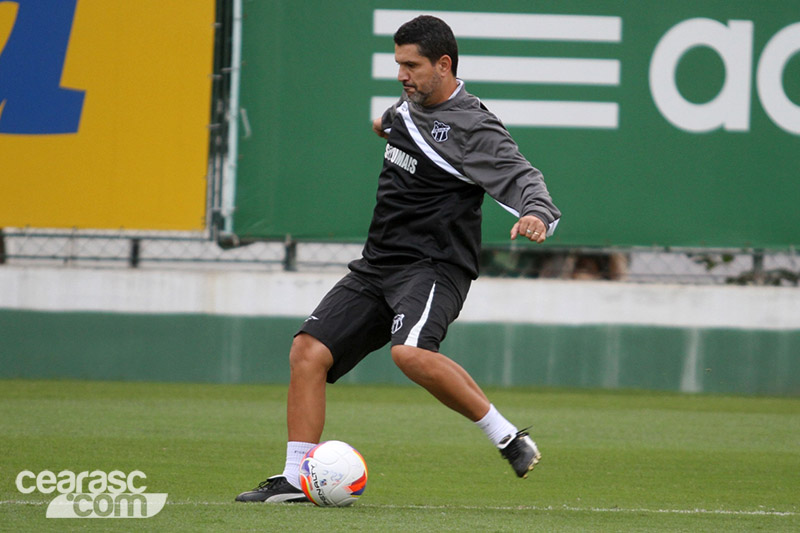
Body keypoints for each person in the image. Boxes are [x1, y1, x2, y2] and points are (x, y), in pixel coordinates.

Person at [236, 15, 561, 503]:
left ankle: (507, 437)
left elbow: (524, 178)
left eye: (412, 65)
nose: (402, 74)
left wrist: (536, 214)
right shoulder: (407, 108)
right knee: (308, 352)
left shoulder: (474, 127)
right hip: (378, 264)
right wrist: (383, 124)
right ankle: (296, 479)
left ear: (444, 65)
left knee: (409, 352)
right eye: (398, 64)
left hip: (433, 266)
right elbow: (391, 122)